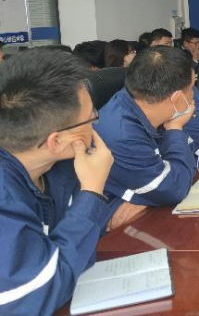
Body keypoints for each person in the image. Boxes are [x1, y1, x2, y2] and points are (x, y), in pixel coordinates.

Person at [0, 49, 116, 313]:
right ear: (57, 141)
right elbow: (39, 295)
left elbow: (81, 257)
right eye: (92, 117)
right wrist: (92, 192)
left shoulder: (60, 166)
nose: (96, 124)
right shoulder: (4, 199)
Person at [94, 46, 197, 208]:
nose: (194, 95)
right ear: (176, 97)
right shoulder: (123, 135)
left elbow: (191, 160)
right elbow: (174, 188)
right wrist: (175, 129)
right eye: (191, 88)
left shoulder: (140, 103)